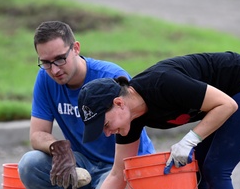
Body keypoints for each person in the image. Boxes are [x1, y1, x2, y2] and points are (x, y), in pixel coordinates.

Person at [78, 51, 240, 189]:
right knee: (197, 172)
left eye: (105, 124)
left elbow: (226, 105)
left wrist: (189, 140)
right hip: (225, 102)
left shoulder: (163, 83)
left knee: (215, 168)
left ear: (119, 103)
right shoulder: (129, 120)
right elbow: (118, 173)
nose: (106, 133)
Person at [17, 21, 155, 189]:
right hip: (82, 163)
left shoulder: (111, 77)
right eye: (46, 62)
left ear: (75, 48)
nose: (54, 70)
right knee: (30, 164)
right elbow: (37, 134)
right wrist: (58, 148)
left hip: (120, 165)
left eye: (60, 59)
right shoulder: (45, 78)